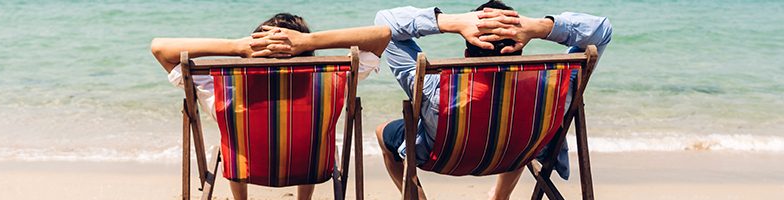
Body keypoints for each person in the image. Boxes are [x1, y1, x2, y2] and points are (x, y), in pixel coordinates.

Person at [249, 1, 612, 199]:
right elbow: (602, 30)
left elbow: (386, 23)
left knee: (384, 133)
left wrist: (451, 21)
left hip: (444, 158)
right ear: (519, 44)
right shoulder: (555, 84)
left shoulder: (437, 90)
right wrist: (540, 27)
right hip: (520, 149)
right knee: (518, 124)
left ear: (468, 50)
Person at [150, 13, 381, 200]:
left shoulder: (225, 90)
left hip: (244, 168)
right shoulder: (331, 83)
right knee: (308, 140)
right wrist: (309, 41)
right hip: (310, 164)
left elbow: (159, 48)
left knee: (235, 141)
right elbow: (382, 35)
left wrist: (236, 47)